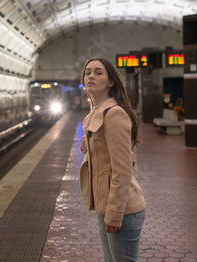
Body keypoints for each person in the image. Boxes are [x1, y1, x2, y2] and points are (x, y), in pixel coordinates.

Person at [80, 57, 146, 262]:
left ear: (110, 82)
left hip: (122, 209)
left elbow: (123, 169)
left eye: (98, 72)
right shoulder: (96, 112)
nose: (91, 75)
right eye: (88, 72)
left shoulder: (114, 114)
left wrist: (115, 212)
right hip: (104, 204)